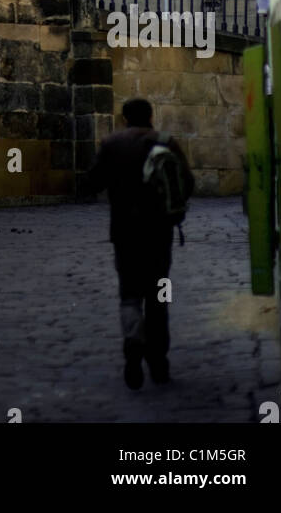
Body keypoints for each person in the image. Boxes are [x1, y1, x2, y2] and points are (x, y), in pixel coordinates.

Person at [84, 98, 194, 390]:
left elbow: (92, 183)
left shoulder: (111, 143)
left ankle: (133, 346)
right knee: (159, 296)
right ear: (151, 116)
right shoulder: (165, 142)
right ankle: (159, 361)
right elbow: (188, 183)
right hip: (159, 234)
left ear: (124, 118)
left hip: (125, 234)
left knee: (130, 295)